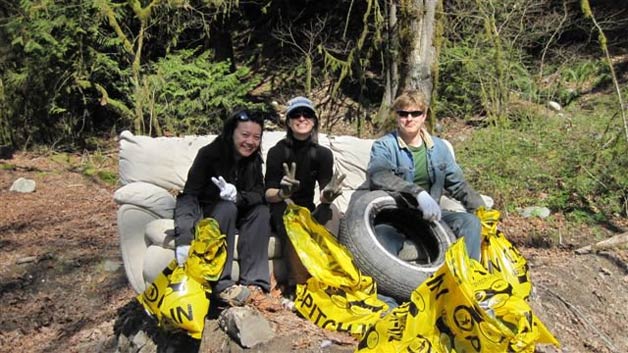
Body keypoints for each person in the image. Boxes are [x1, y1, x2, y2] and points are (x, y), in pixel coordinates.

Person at [367, 89, 486, 261]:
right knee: (382, 237)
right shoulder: (384, 146)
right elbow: (378, 176)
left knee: (470, 222)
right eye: (403, 113)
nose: (409, 119)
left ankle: (468, 279)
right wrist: (417, 193)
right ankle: (389, 286)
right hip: (395, 216)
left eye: (415, 113)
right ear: (396, 116)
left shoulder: (440, 148)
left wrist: (482, 212)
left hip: (432, 217)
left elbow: (459, 186)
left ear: (424, 116)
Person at [173, 109, 270, 306]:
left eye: (256, 137)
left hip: (239, 213)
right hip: (212, 215)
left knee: (261, 212)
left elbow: (259, 193)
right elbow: (188, 196)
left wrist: (238, 196)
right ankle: (221, 285)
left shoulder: (254, 161)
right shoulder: (209, 155)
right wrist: (184, 236)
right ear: (231, 133)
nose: (250, 142)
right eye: (244, 135)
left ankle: (254, 284)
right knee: (226, 207)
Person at [264, 96, 345, 290]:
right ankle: (298, 285)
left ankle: (330, 277)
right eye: (296, 115)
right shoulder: (277, 152)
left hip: (308, 211)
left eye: (307, 114)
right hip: (281, 208)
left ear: (315, 120)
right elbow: (268, 193)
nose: (302, 118)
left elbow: (324, 192)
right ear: (288, 122)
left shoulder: (323, 154)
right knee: (292, 216)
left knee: (331, 211)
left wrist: (328, 196)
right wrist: (283, 193)